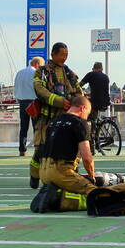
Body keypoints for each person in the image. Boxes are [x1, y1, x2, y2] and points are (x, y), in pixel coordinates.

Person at [30, 42, 82, 188]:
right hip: (47, 119)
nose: (64, 58)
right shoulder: (41, 72)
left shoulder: (69, 73)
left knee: (70, 150)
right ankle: (34, 174)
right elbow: (40, 90)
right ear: (53, 54)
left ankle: (70, 176)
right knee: (41, 150)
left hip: (67, 118)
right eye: (61, 54)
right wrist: (59, 101)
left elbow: (78, 91)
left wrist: (76, 102)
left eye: (66, 54)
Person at [14, 56, 43, 157]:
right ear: (37, 64)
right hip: (34, 103)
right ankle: (37, 149)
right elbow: (39, 89)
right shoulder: (36, 73)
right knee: (37, 128)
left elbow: (16, 88)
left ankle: (22, 149)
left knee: (23, 127)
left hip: (22, 103)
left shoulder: (19, 73)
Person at [80, 61, 110, 128]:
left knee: (86, 113)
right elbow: (100, 91)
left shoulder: (91, 74)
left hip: (95, 101)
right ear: (102, 69)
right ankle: (95, 132)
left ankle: (91, 133)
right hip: (106, 102)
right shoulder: (106, 77)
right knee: (94, 114)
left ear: (93, 69)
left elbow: (79, 85)